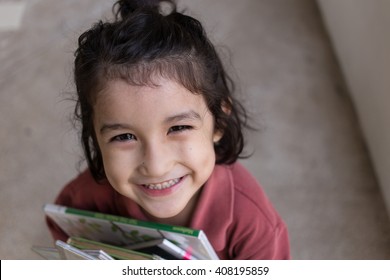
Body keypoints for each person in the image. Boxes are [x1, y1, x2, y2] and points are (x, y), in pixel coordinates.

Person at [46, 0, 290, 260]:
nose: (156, 166)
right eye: (124, 136)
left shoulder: (255, 227)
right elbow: (63, 229)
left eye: (178, 127)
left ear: (218, 121)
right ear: (95, 135)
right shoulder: (86, 198)